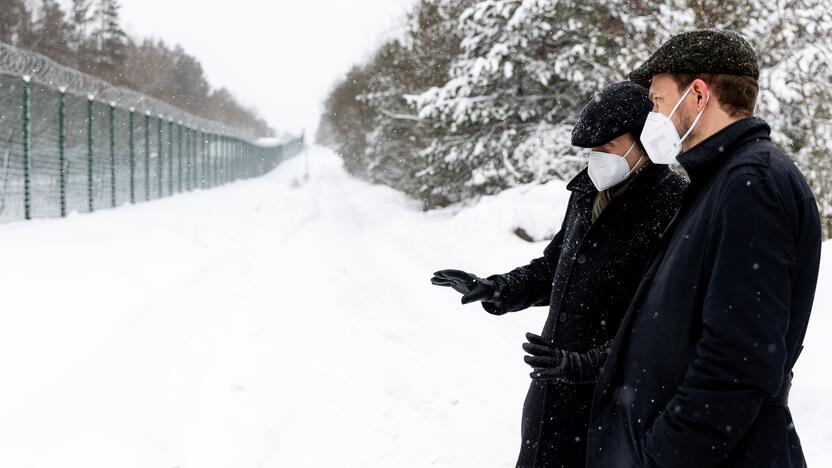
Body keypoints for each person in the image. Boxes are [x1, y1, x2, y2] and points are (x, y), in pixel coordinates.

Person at [555, 29, 822, 467]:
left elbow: (737, 364)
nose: (652, 117)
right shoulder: (717, 183)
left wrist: (660, 457)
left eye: (658, 103)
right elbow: (675, 326)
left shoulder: (750, 184)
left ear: (697, 95)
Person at [431, 81, 688, 468]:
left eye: (607, 148)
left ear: (644, 142)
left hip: (614, 407)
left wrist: (584, 365)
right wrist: (496, 289)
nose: (597, 159)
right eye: (591, 151)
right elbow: (554, 269)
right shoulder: (586, 192)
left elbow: (659, 322)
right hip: (551, 396)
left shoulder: (671, 205)